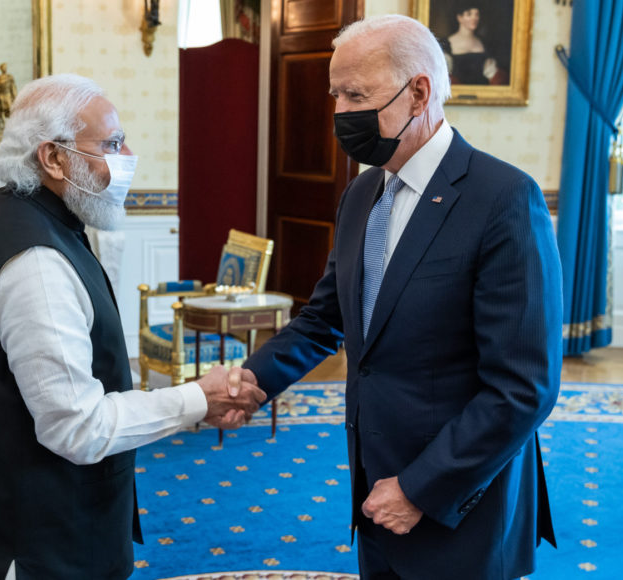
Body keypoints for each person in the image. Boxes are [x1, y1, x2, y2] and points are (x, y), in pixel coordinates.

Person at [229, 14, 561, 579]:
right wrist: (254, 379)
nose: (339, 114)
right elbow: (327, 316)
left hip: (461, 499)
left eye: (356, 94)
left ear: (419, 92)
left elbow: (523, 387)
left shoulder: (503, 198)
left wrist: (420, 489)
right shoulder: (362, 192)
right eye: (335, 95)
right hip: (373, 485)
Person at [0, 74, 266, 580]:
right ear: (53, 158)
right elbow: (76, 427)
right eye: (111, 144)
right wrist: (197, 399)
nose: (127, 157)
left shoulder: (13, 217)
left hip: (5, 515)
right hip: (28, 541)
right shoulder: (35, 259)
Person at [441, 3, 508, 85]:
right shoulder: (446, 44)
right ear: (459, 18)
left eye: (477, 14)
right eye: (469, 14)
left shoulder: (485, 43)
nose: (474, 18)